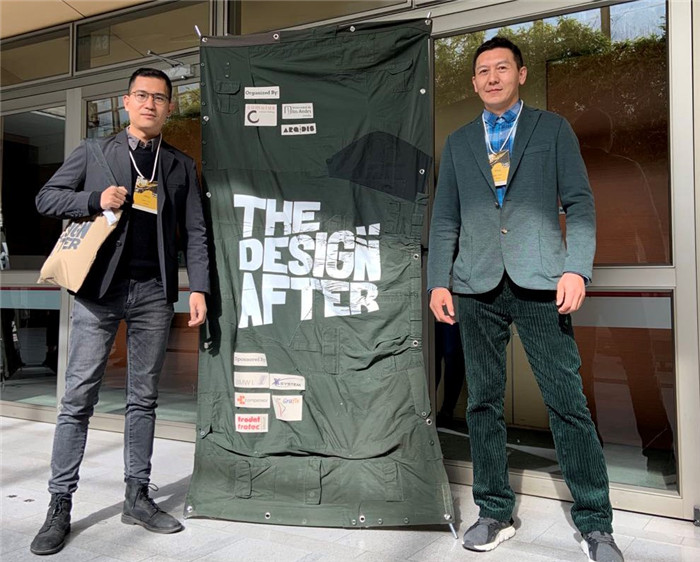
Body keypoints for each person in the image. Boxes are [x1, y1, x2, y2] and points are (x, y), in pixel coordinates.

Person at [427, 38, 623, 562]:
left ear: (521, 74)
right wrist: (438, 281)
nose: (492, 77)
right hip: (476, 286)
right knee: (482, 403)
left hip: (541, 283)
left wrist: (576, 268)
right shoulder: (459, 142)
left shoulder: (551, 129)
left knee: (567, 403)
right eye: (482, 71)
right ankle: (493, 512)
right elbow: (445, 218)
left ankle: (595, 524)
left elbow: (580, 204)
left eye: (501, 68)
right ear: (474, 82)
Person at [31, 68, 209, 556]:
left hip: (153, 294)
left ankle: (137, 496)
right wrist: (94, 199)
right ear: (126, 102)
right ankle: (59, 505)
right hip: (99, 291)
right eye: (142, 95)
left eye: (160, 97)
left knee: (143, 399)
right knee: (77, 398)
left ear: (169, 107)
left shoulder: (179, 165)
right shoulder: (94, 152)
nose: (150, 103)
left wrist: (198, 288)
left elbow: (196, 232)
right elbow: (46, 198)